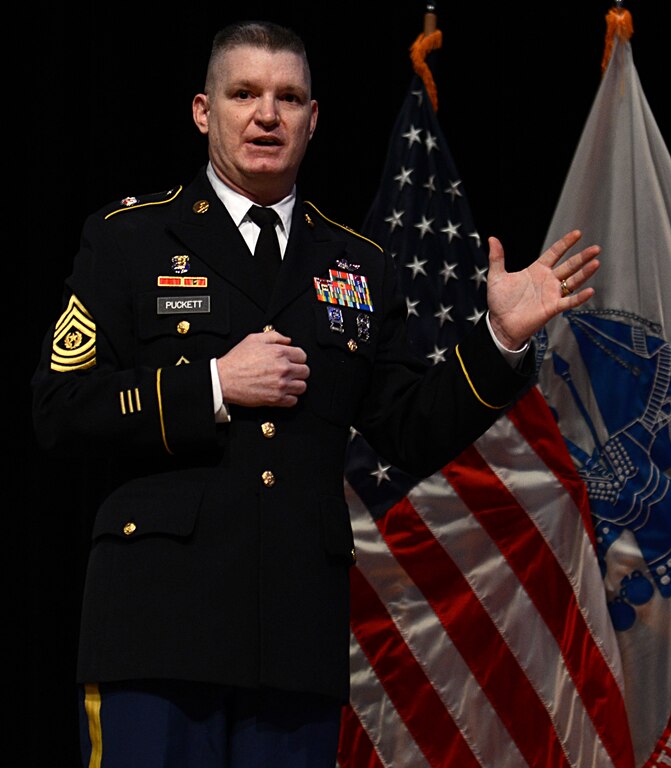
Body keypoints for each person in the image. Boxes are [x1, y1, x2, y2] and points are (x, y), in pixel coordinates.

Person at [32, 19, 599, 767]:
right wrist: (212, 384)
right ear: (205, 111)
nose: (267, 114)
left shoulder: (360, 263)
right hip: (156, 636)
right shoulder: (129, 238)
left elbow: (407, 432)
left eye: (288, 97)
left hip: (294, 645)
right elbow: (60, 409)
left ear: (313, 119)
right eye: (245, 93)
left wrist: (499, 342)